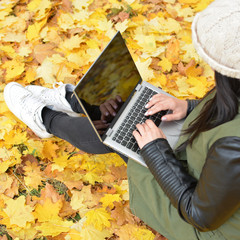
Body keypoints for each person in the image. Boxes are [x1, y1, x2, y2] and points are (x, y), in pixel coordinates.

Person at [3, 0, 240, 239]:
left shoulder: (234, 146)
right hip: (213, 172)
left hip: (205, 222)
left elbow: (199, 215)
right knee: (136, 113)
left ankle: (47, 120)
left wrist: (155, 150)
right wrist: (187, 106)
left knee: (118, 135)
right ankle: (79, 102)